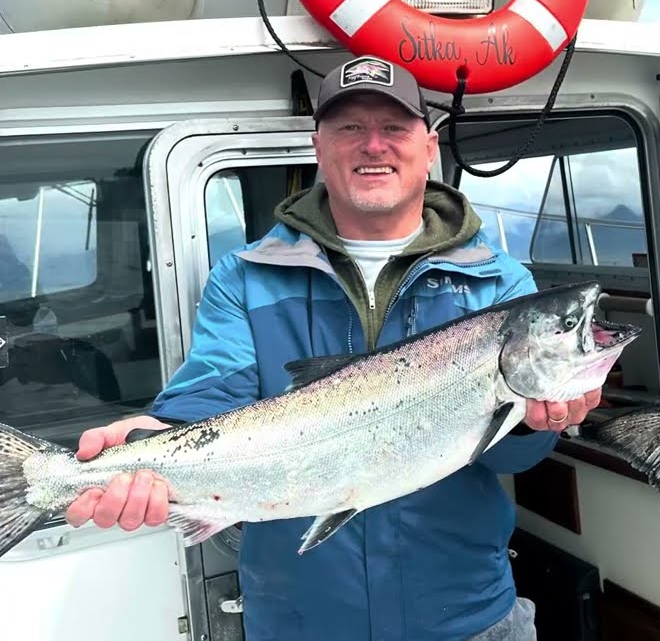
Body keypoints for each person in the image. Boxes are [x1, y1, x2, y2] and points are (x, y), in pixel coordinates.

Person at [61, 55, 602, 641]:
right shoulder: (246, 278)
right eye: (350, 128)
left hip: (464, 617)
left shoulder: (499, 285)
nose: (374, 145)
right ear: (319, 146)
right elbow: (211, 397)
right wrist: (154, 437)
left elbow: (507, 459)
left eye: (394, 127)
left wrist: (534, 423)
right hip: (299, 622)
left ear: (429, 144)